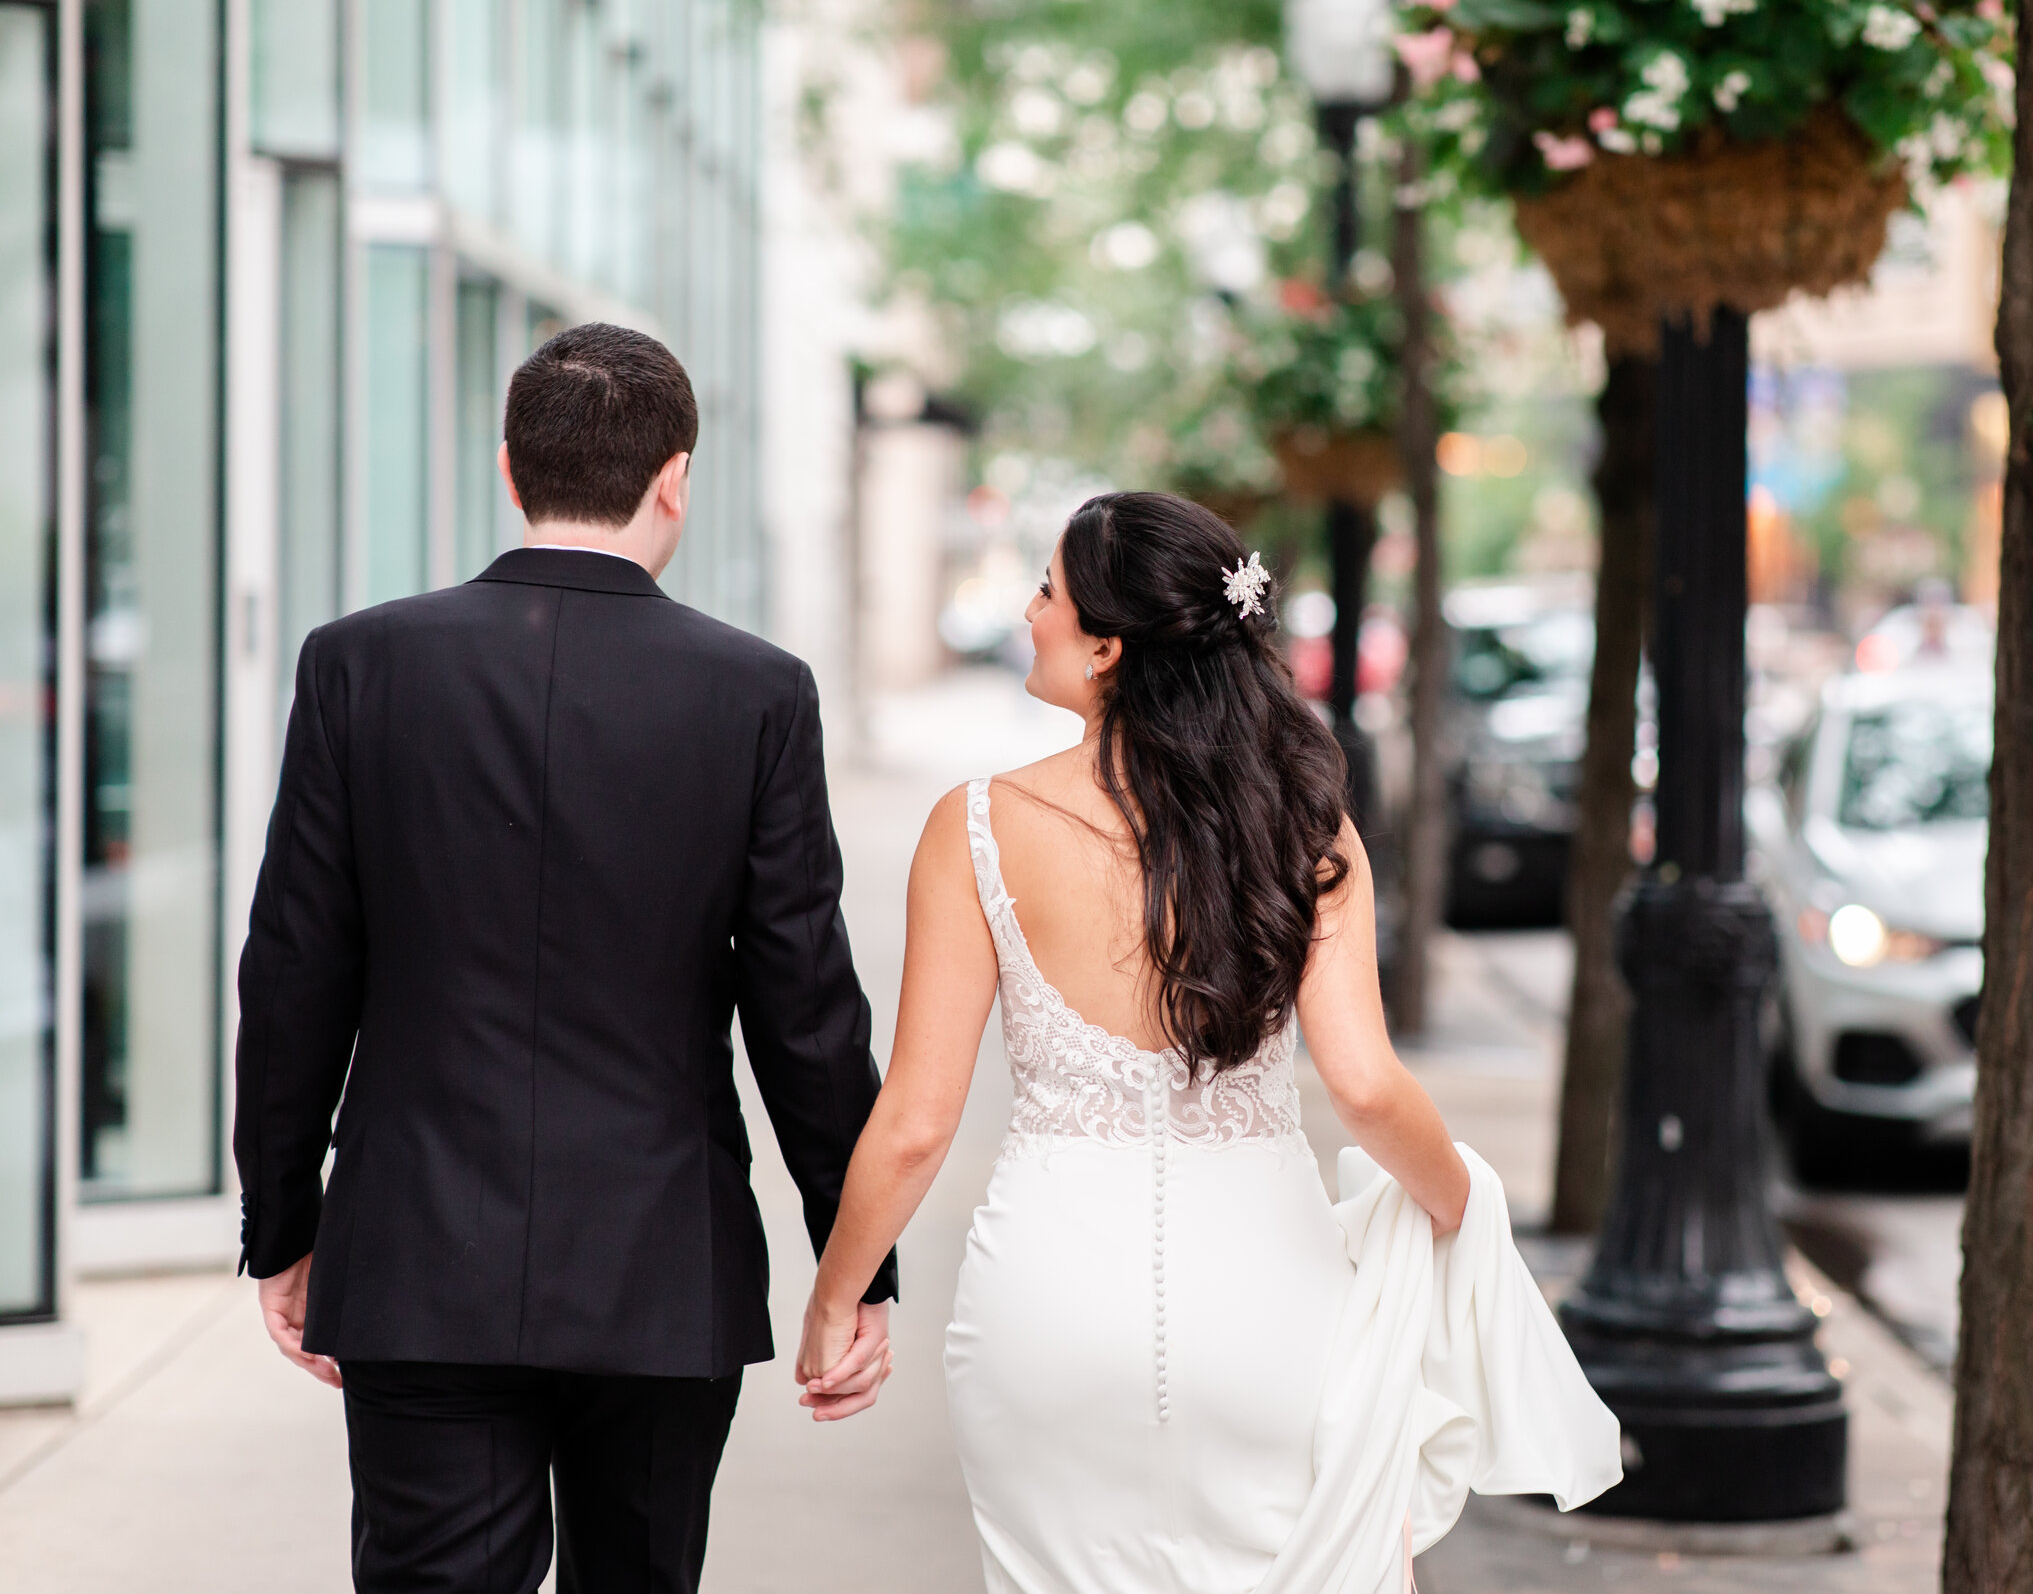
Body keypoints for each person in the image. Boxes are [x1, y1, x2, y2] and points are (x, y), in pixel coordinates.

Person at [795, 492, 1620, 1594]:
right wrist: (1463, 1210)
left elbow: (914, 1125)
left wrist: (837, 1295)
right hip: (1268, 1303)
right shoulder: (1304, 824)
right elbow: (1368, 1087)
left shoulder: (977, 826)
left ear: (1106, 644)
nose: (1030, 611)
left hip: (1044, 1303)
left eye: (1047, 588)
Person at [232, 323, 897, 1594]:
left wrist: (285, 1216)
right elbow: (805, 1002)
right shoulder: (756, 691)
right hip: (659, 1261)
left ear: (508, 468)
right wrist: (849, 1254)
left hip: (420, 1250)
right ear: (675, 478)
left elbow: (295, 966)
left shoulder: (360, 663)